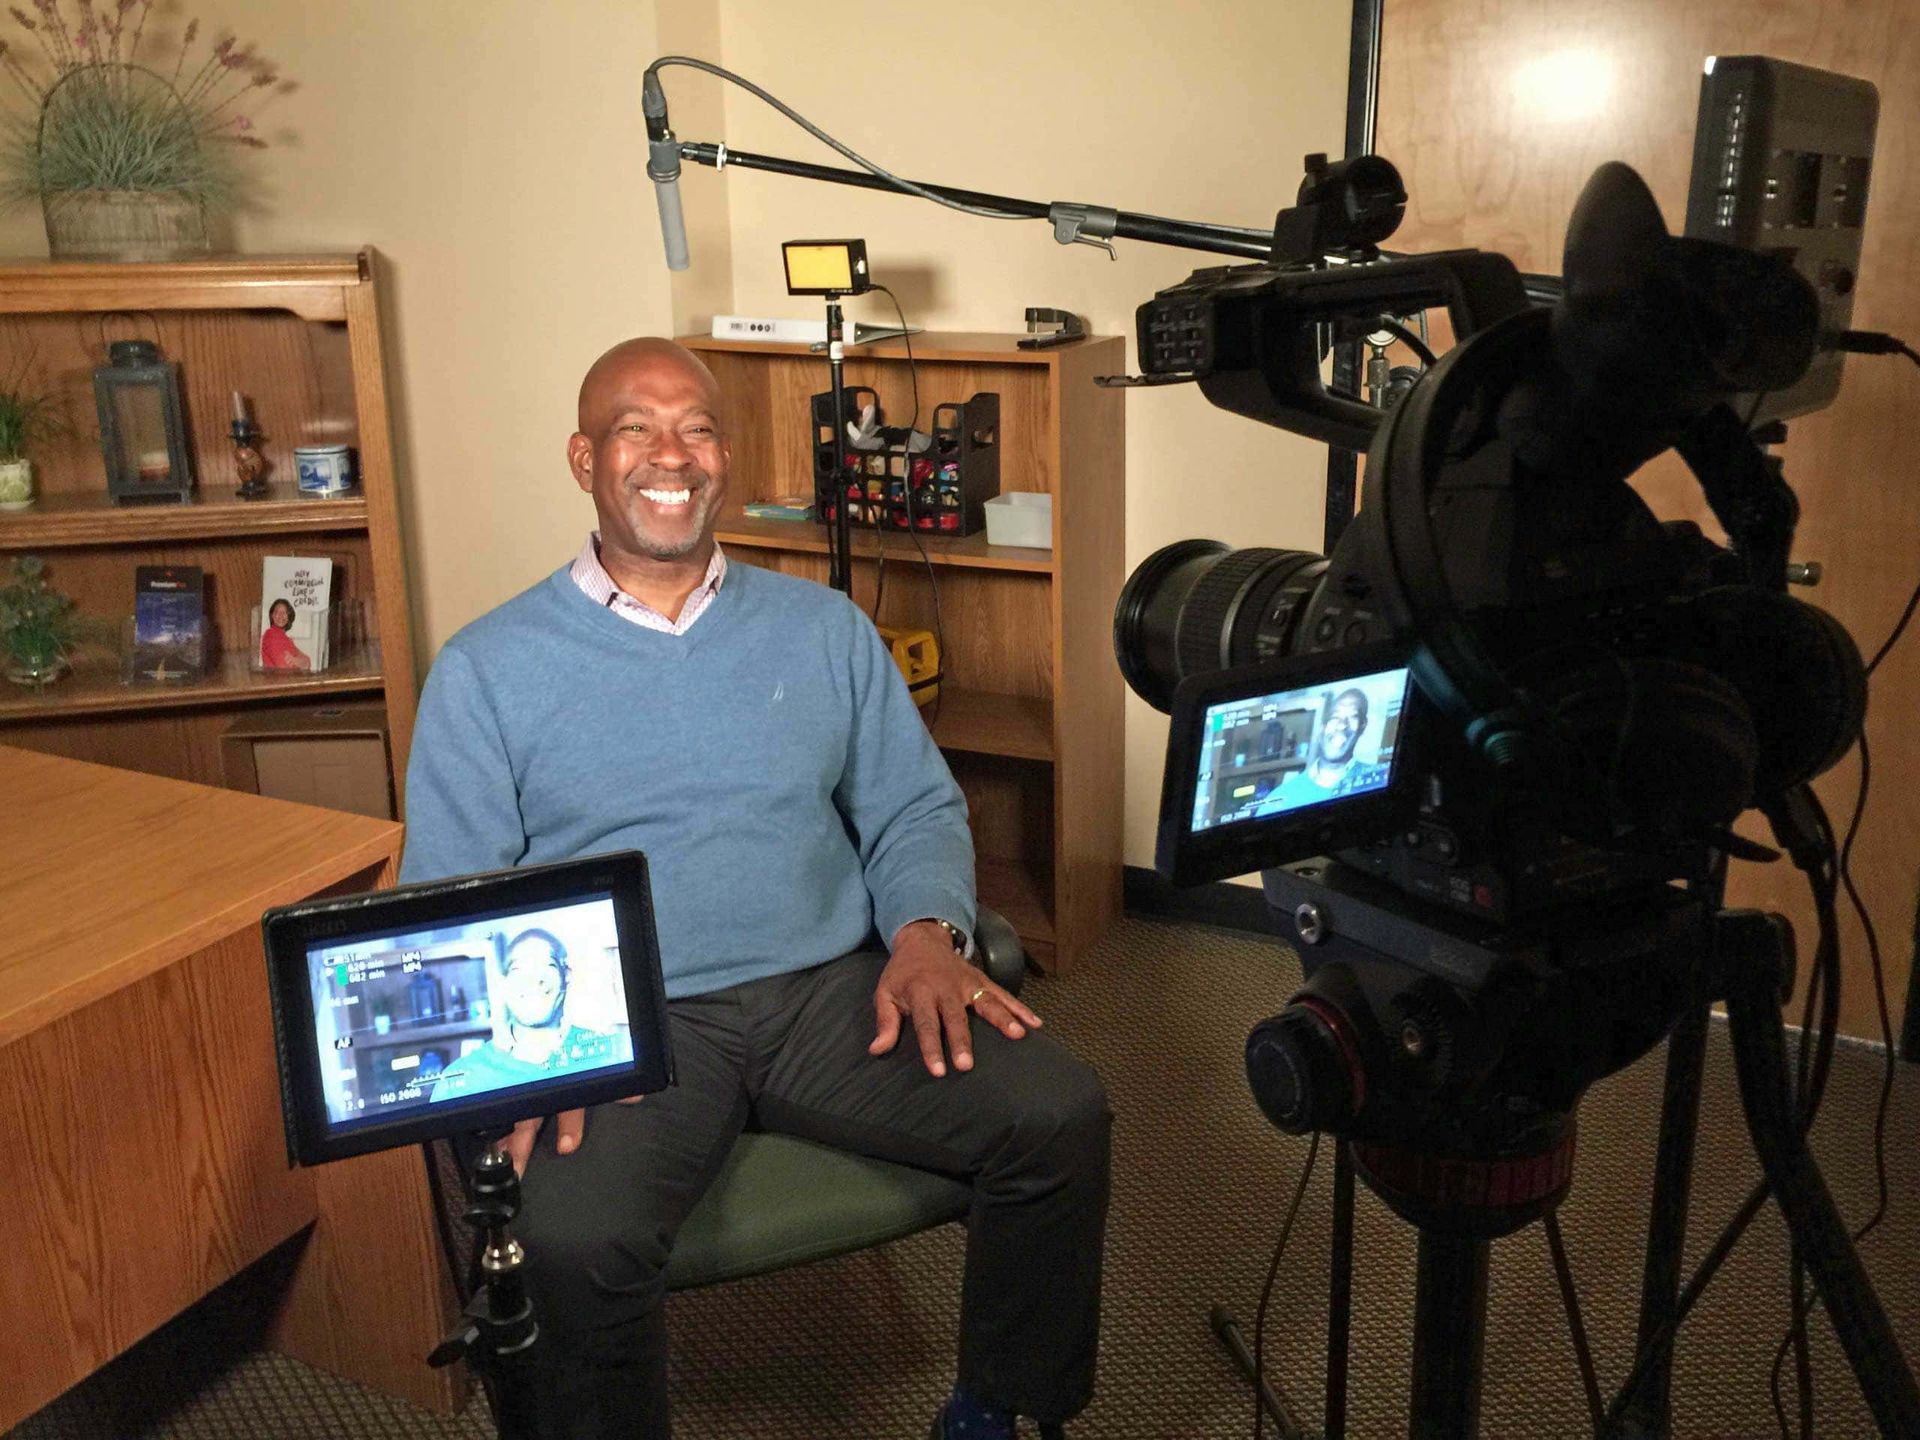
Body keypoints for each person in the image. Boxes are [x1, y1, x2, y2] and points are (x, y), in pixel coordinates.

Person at [401, 338, 1110, 1439]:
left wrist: (928, 933)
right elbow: (454, 896)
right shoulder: (487, 668)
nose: (670, 453)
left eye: (697, 428)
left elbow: (912, 807)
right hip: (624, 1024)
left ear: (725, 459)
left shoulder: (823, 629)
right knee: (573, 1242)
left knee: (1058, 1116)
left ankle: (994, 1410)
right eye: (635, 428)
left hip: (832, 992)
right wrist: (523, 1056)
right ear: (584, 460)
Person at [429, 927, 626, 1103]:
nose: (533, 980)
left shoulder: (612, 1051)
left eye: (547, 965)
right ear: (504, 983)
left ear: (567, 975)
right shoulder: (458, 1080)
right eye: (518, 969)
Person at [1263, 686, 1390, 811]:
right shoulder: (1278, 799)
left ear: (1363, 726)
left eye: (1352, 717)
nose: (1342, 725)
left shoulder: (1381, 778)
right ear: (1322, 728)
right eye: (1335, 717)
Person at [260, 597, 311, 670]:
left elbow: (307, 662)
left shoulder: (287, 639)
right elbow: (283, 666)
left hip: (290, 677)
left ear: (289, 616)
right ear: (272, 616)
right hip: (277, 677)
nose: (281, 615)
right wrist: (298, 662)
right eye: (277, 612)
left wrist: (294, 660)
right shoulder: (270, 635)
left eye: (284, 612)